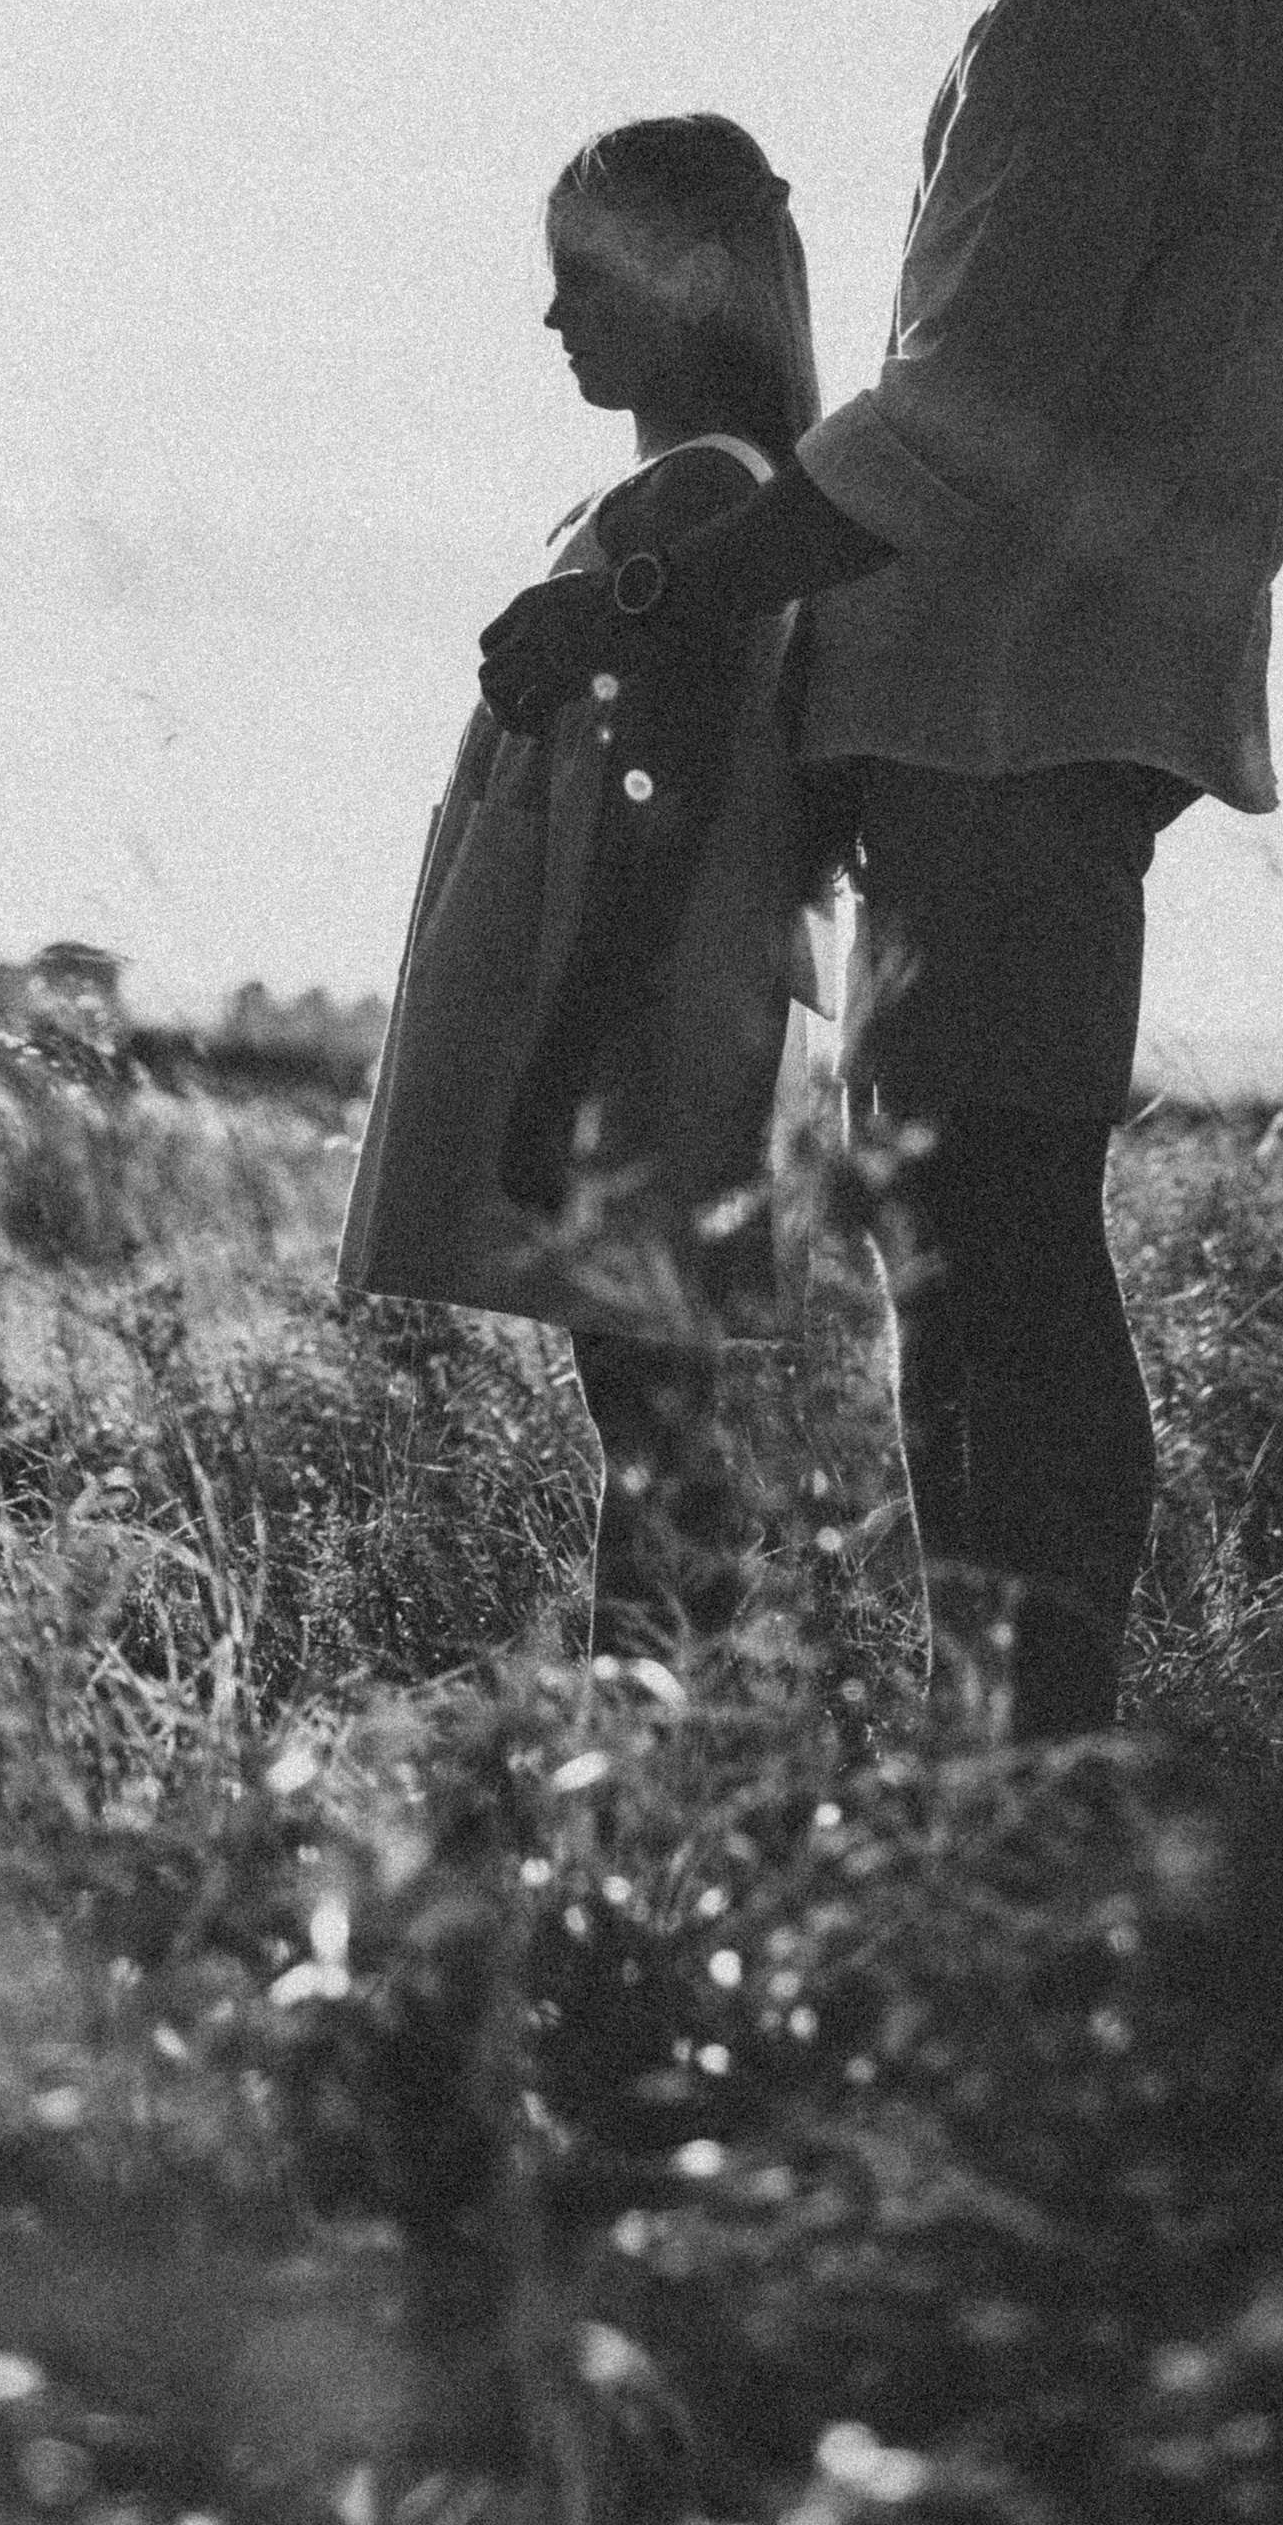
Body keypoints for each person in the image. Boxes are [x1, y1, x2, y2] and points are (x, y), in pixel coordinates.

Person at [480, 0, 1283, 1741]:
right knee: (978, 1249)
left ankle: (1023, 1785)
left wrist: (647, 596)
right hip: (1049, 706)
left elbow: (960, 417)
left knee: (981, 1265)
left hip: (1004, 716)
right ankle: (1018, 1766)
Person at [340, 114, 832, 1661]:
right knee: (639, 1399)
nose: (554, 318)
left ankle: (661, 1743)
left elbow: (661, 798)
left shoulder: (701, 502)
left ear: (687, 280)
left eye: (582, 280)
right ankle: (656, 1734)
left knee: (655, 1413)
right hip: (632, 995)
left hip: (640, 1005)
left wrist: (569, 1063)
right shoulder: (692, 493)